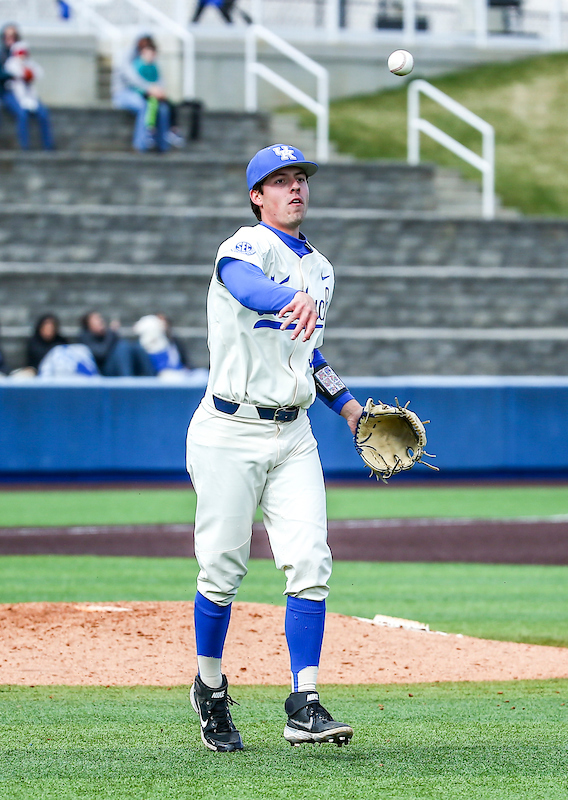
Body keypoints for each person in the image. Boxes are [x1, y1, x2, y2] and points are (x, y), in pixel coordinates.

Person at [186, 144, 365, 752]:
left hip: (294, 434)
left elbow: (308, 354)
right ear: (257, 196)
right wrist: (288, 298)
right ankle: (211, 688)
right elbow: (244, 286)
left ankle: (303, 703)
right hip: (228, 431)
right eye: (280, 180)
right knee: (222, 569)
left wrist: (348, 407)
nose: (294, 188)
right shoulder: (245, 246)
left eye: (300, 178)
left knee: (310, 561)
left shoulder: (322, 269)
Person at [113, 35, 178, 153]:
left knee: (163, 108)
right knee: (145, 106)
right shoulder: (132, 58)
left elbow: (158, 79)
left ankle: (163, 145)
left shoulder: (152, 63)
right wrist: (150, 89)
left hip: (147, 94)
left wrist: (159, 91)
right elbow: (132, 78)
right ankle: (141, 144)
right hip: (127, 92)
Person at [3, 40, 55, 151]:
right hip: (16, 94)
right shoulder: (11, 63)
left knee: (43, 114)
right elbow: (18, 72)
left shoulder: (30, 63)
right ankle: (24, 146)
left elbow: (39, 73)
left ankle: (48, 146)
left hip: (30, 95)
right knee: (22, 115)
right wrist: (26, 72)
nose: (23, 56)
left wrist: (29, 72)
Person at [78, 311, 154, 377]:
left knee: (136, 347)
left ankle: (151, 379)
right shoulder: (85, 336)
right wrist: (112, 332)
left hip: (117, 364)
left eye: (100, 318)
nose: (101, 320)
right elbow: (101, 353)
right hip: (103, 370)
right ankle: (127, 381)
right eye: (96, 319)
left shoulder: (107, 334)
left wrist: (111, 333)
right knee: (122, 347)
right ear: (88, 323)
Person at [0, 23, 22, 122]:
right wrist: (12, 75)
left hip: (22, 90)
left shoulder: (20, 53)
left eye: (13, 36)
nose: (10, 39)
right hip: (6, 91)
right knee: (21, 113)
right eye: (7, 36)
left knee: (42, 113)